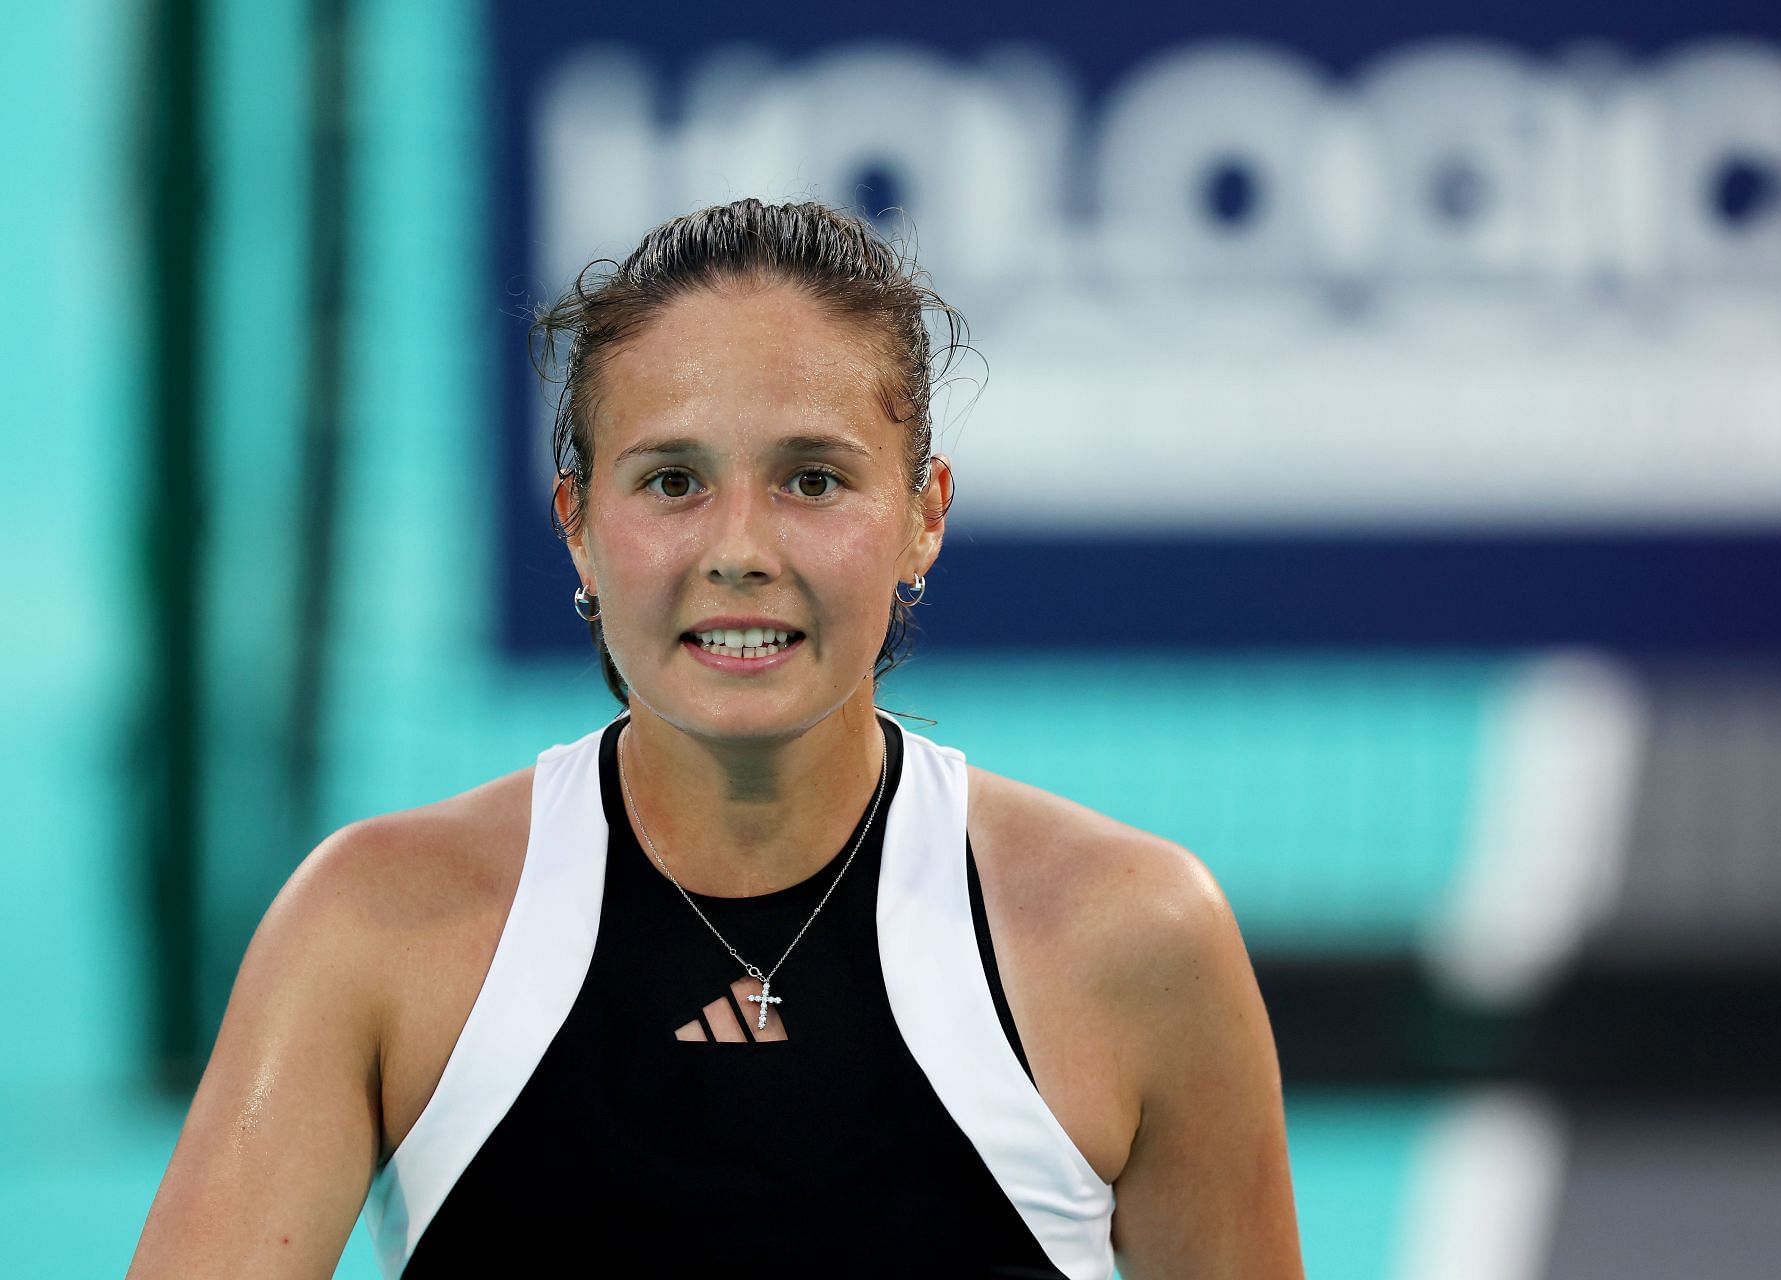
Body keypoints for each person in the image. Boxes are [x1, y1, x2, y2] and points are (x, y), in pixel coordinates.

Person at [130, 199, 1304, 1278]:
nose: (739, 546)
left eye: (811, 478)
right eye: (674, 479)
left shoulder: (1135, 937)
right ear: (578, 524)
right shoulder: (371, 924)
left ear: (924, 514)